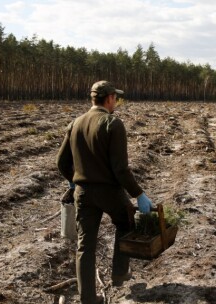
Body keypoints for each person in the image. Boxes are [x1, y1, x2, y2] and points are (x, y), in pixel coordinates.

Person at [56, 80, 154, 304]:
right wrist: (138, 194)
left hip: (83, 193)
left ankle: (88, 298)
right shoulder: (112, 124)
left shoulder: (75, 123)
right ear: (109, 98)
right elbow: (120, 169)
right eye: (115, 98)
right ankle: (119, 273)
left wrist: (74, 182)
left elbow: (61, 162)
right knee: (126, 222)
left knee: (85, 245)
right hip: (109, 192)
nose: (116, 102)